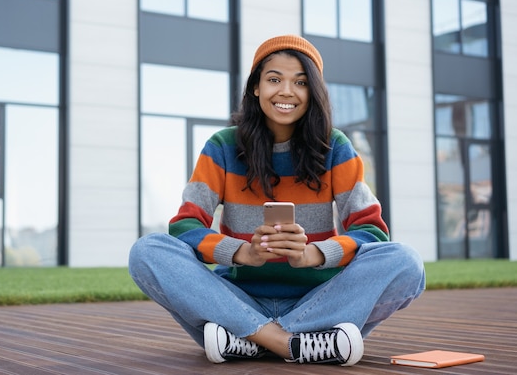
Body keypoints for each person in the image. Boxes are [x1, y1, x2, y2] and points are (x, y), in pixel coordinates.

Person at [129, 34, 425, 366]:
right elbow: (185, 225)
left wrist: (312, 254)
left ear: (312, 92)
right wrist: (244, 252)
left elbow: (371, 230)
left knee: (406, 262)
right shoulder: (223, 146)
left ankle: (249, 340)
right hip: (238, 298)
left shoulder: (335, 147)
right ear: (256, 87)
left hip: (318, 301)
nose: (286, 91)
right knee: (147, 251)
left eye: (300, 82)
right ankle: (292, 343)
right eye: (274, 79)